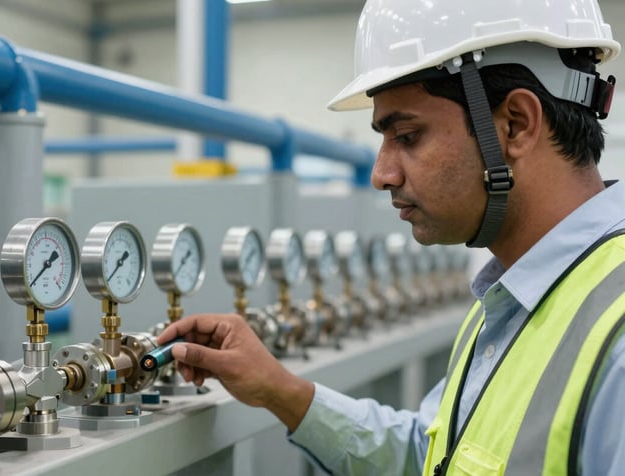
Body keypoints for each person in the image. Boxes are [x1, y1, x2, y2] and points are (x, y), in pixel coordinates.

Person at [157, 0, 625, 474]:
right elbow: (433, 456)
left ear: (515, 124)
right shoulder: (509, 300)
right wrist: (279, 389)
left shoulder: (616, 337)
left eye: (407, 136)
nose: (381, 174)